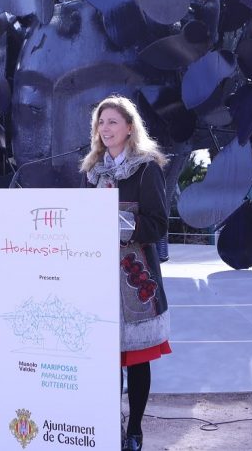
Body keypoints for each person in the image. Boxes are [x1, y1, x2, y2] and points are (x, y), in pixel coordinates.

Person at [80, 95, 171, 451]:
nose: (105, 129)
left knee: (136, 358)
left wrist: (115, 223)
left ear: (130, 127)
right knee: (104, 358)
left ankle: (134, 430)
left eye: (113, 122)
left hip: (136, 277)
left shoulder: (147, 169)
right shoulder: (91, 172)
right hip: (98, 276)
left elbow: (158, 224)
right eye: (101, 123)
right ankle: (106, 423)